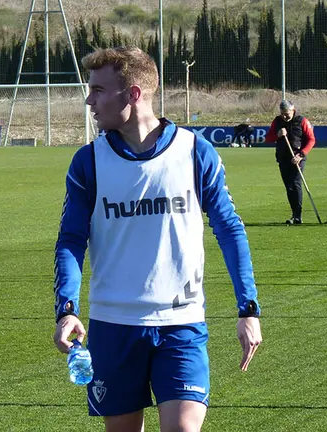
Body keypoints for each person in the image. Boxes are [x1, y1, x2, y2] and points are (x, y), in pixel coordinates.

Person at [52, 46, 263, 432]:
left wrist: (248, 309)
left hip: (181, 323)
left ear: (132, 94)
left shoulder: (195, 151)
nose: (89, 99)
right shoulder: (88, 161)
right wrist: (66, 308)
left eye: (98, 90)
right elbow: (70, 240)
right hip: (113, 324)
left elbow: (230, 229)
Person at [264, 100, 316, 225]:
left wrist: (301, 154)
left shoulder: (302, 121)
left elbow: (311, 140)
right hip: (283, 158)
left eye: (286, 113)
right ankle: (295, 214)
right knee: (289, 187)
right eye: (282, 113)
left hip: (298, 158)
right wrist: (277, 135)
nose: (284, 116)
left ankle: (297, 216)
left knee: (295, 184)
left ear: (293, 110)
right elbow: (268, 138)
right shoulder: (277, 122)